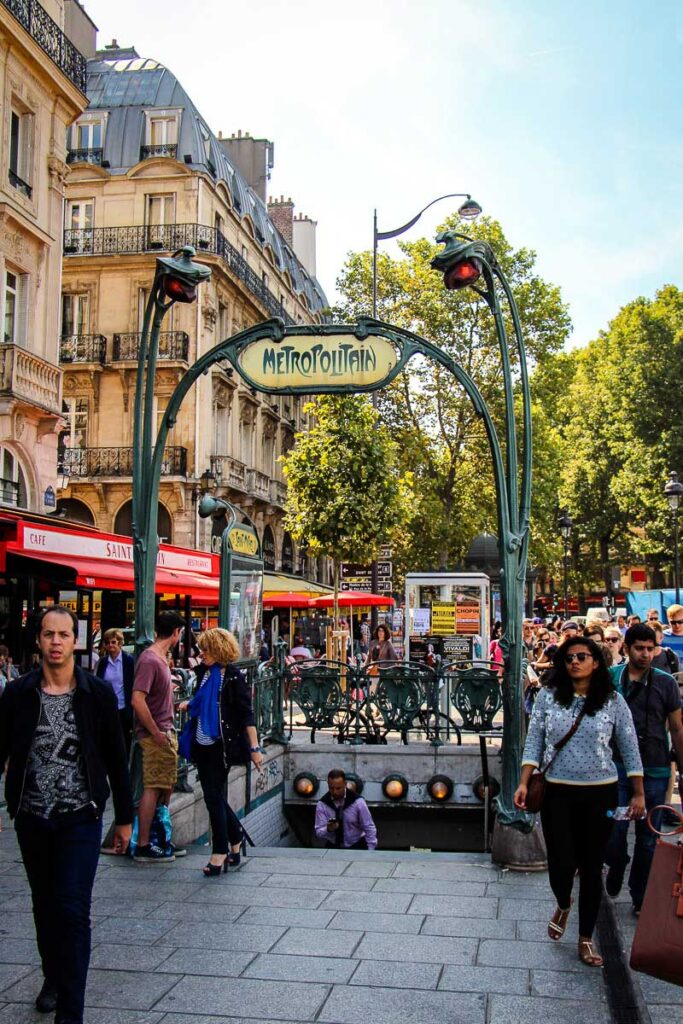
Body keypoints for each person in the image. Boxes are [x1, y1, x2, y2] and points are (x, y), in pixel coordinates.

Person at [0, 606, 132, 1024]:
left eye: (63, 634)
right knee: (45, 905)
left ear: (74, 640)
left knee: (73, 909)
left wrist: (124, 818)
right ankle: (53, 977)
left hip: (81, 816)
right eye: (47, 634)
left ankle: (70, 1013)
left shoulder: (96, 694)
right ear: (38, 641)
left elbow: (116, 757)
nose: (55, 642)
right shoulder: (18, 694)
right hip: (33, 816)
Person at [514, 635, 644, 967]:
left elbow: (629, 747)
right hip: (557, 791)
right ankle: (563, 901)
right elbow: (534, 742)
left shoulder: (612, 701)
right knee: (560, 861)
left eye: (582, 656)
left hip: (600, 790)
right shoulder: (548, 697)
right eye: (569, 657)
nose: (574, 661)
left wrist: (639, 791)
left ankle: (586, 937)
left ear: (596, 662)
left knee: (590, 865)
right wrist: (524, 782)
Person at [604, 623, 683, 914]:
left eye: (651, 648)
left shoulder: (665, 683)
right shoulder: (612, 678)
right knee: (615, 827)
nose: (646, 654)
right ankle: (616, 861)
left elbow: (676, 726)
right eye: (639, 648)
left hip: (654, 770)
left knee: (649, 837)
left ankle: (640, 897)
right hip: (618, 769)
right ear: (626, 648)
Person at [179, 628, 262, 875]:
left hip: (221, 746)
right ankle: (236, 839)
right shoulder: (204, 672)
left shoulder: (234, 677)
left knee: (213, 798)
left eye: (206, 649)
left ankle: (219, 852)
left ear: (219, 650)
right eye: (201, 649)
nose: (201, 653)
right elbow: (201, 701)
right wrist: (189, 704)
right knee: (213, 796)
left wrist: (255, 748)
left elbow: (246, 714)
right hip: (201, 744)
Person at [131, 610, 184, 862]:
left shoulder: (160, 658)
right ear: (175, 633)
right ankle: (143, 843)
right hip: (156, 734)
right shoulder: (150, 659)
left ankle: (160, 836)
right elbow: (137, 699)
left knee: (165, 786)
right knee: (153, 787)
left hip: (165, 731)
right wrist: (156, 733)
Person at [314, 768, 378, 849]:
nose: (335, 792)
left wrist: (371, 850)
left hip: (357, 845)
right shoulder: (322, 804)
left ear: (345, 784)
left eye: (338, 788)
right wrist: (328, 829)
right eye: (331, 788)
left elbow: (368, 827)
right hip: (334, 846)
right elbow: (318, 832)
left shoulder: (358, 802)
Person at [95, 628, 135, 754]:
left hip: (123, 708)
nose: (110, 645)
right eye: (107, 643)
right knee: (108, 743)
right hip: (107, 708)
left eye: (113, 642)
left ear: (120, 643)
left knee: (123, 743)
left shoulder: (129, 661)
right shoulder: (103, 662)